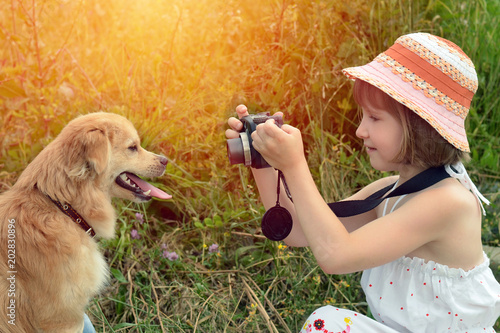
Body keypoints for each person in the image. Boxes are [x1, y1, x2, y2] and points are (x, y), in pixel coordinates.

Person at [225, 32, 500, 332]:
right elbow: (299, 231)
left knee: (325, 324)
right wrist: (262, 159)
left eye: (375, 118)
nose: (360, 130)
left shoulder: (448, 201)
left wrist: (294, 165)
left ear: (420, 127)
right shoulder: (391, 191)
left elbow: (336, 256)